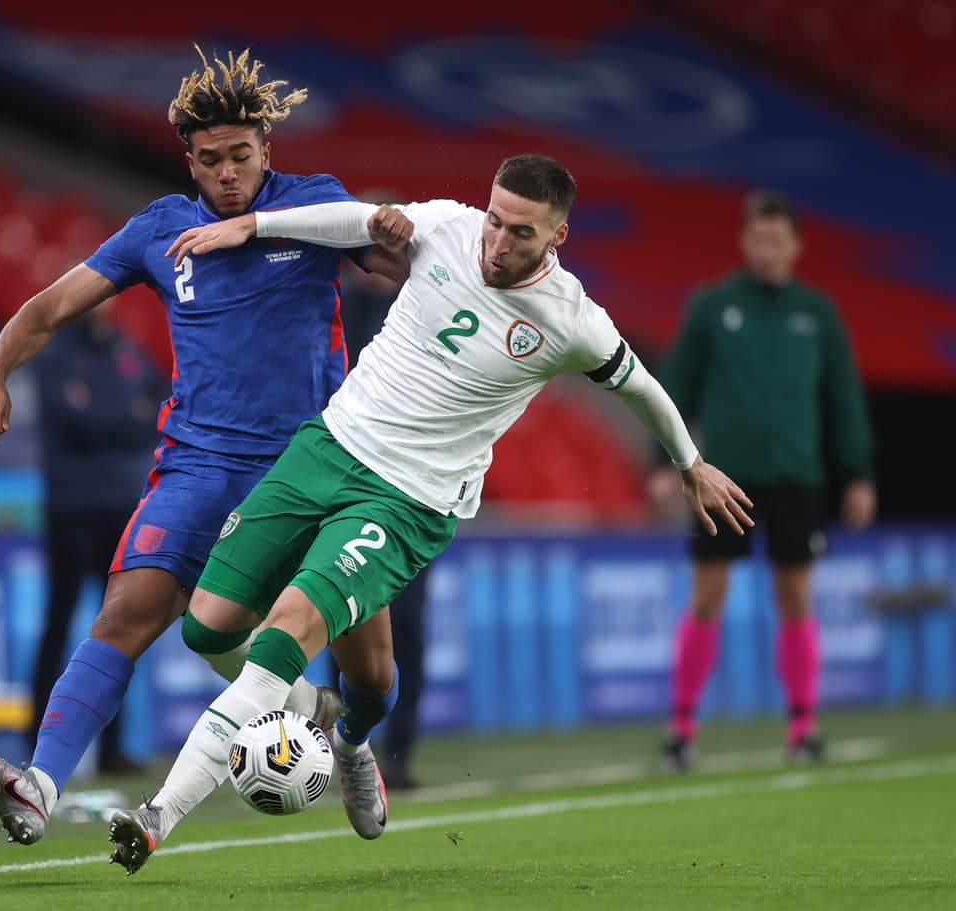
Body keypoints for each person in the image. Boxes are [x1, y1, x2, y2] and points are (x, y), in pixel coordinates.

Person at [105, 153, 754, 875]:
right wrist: (251, 226)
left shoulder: (574, 320)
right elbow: (351, 221)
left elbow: (642, 387)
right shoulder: (449, 225)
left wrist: (689, 462)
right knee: (209, 626)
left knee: (286, 631)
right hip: (327, 446)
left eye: (520, 235)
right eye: (496, 222)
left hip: (407, 497)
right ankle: (340, 727)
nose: (498, 244)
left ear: (558, 236)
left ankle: (159, 815)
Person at [0, 46, 410, 847]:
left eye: (242, 155)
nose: (228, 172)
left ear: (267, 150)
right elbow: (48, 308)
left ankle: (346, 736)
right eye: (211, 160)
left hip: (314, 466)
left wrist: (397, 234)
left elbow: (388, 260)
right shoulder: (159, 228)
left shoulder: (311, 206)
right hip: (198, 463)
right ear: (188, 160)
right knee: (127, 613)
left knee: (370, 675)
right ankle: (40, 785)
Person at [647, 190, 876, 772]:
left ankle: (803, 727)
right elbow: (675, 385)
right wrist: (662, 462)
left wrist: (859, 472)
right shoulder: (713, 304)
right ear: (743, 241)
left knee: (796, 596)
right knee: (707, 595)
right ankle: (681, 729)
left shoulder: (818, 312)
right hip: (725, 479)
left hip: (798, 475)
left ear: (796, 245)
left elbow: (843, 397)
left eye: (777, 240)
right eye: (756, 239)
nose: (766, 250)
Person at [30, 306, 169, 774]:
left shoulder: (128, 353)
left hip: (119, 508)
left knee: (120, 625)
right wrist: (120, 411)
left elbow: (157, 410)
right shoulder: (56, 357)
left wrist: (103, 410)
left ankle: (112, 750)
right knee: (59, 622)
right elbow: (78, 420)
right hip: (71, 508)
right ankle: (39, 746)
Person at [338, 193, 430, 791]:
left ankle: (398, 756)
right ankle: (332, 749)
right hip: (344, 483)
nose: (379, 255)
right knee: (334, 616)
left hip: (409, 487)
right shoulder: (332, 309)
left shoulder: (420, 308)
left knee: (410, 627)